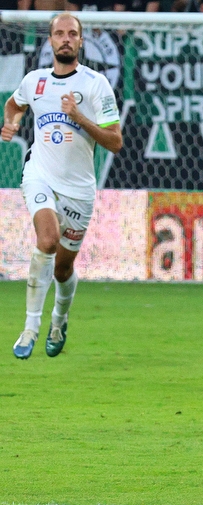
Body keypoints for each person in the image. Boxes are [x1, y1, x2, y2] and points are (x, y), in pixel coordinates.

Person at [3, 13, 122, 360]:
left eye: (73, 33)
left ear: (81, 42)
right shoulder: (35, 81)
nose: (66, 38)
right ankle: (30, 327)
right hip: (39, 174)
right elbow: (14, 105)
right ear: (51, 41)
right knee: (47, 240)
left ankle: (59, 320)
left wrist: (81, 118)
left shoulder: (95, 84)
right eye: (59, 33)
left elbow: (115, 142)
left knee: (63, 268)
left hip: (79, 190)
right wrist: (10, 124)